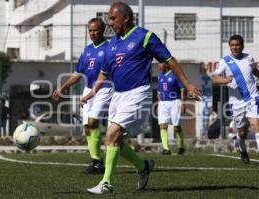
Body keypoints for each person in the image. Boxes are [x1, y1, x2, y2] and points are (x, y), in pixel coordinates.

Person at [81, 2, 202, 194]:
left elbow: (169, 60)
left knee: (111, 135)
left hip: (138, 93)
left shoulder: (144, 37)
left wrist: (187, 84)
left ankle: (106, 184)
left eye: (113, 18)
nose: (110, 23)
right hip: (118, 96)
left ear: (126, 17)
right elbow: (104, 73)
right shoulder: (112, 44)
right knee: (116, 141)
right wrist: (91, 93)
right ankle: (143, 166)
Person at [52, 18, 112, 174]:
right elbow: (78, 74)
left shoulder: (110, 47)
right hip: (88, 89)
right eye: (90, 30)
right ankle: (96, 161)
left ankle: (98, 162)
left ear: (103, 30)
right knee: (86, 125)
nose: (92, 33)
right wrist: (62, 88)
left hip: (105, 88)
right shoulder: (87, 50)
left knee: (93, 122)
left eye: (95, 30)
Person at [212, 34, 259, 166]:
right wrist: (225, 80)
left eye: (237, 45)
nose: (235, 47)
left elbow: (253, 70)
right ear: (230, 47)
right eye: (232, 45)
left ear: (242, 46)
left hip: (252, 97)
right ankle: (243, 151)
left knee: (256, 124)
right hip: (236, 102)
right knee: (242, 132)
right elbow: (214, 79)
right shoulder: (224, 61)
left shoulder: (249, 57)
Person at [157, 62, 186, 155]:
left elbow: (182, 89)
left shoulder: (175, 75)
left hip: (175, 102)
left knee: (176, 127)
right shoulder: (160, 76)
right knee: (162, 125)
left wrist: (183, 103)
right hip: (163, 103)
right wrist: (158, 104)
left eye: (160, 64)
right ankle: (166, 149)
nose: (158, 66)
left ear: (166, 65)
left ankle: (181, 146)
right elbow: (158, 91)